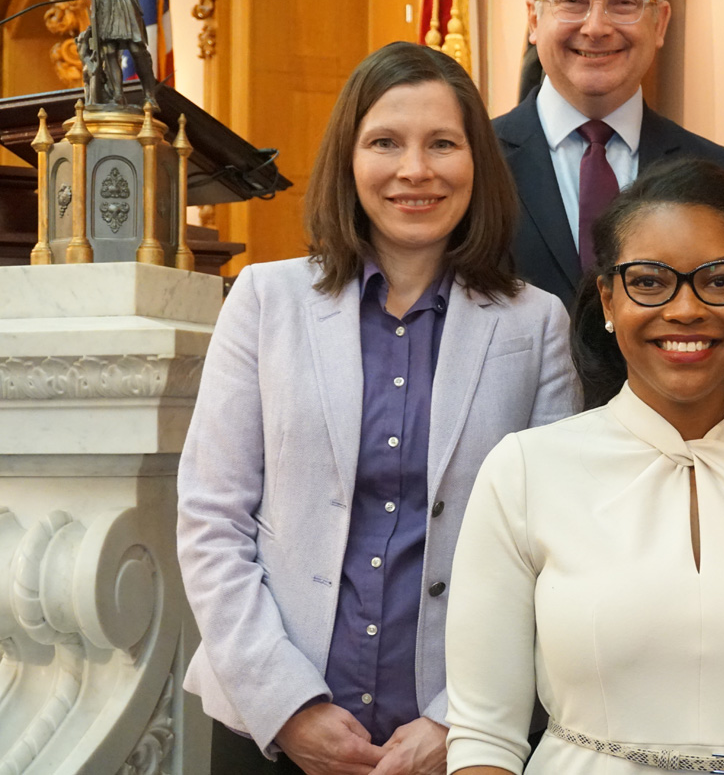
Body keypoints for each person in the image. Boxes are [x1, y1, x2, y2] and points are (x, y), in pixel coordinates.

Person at [177, 42, 580, 775]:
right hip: (270, 733)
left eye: (443, 144)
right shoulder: (263, 303)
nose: (414, 170)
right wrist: (288, 704)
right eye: (385, 142)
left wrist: (460, 716)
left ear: (476, 163)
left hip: (458, 740)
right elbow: (213, 520)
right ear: (349, 159)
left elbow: (553, 549)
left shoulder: (535, 323)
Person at [444, 157, 724, 775]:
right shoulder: (526, 471)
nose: (686, 309)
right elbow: (483, 737)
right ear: (608, 299)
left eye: (718, 281)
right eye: (650, 282)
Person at [493, 0, 724, 307]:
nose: (596, 27)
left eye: (624, 3)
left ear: (660, 22)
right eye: (571, 0)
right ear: (534, 19)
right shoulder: (471, 168)